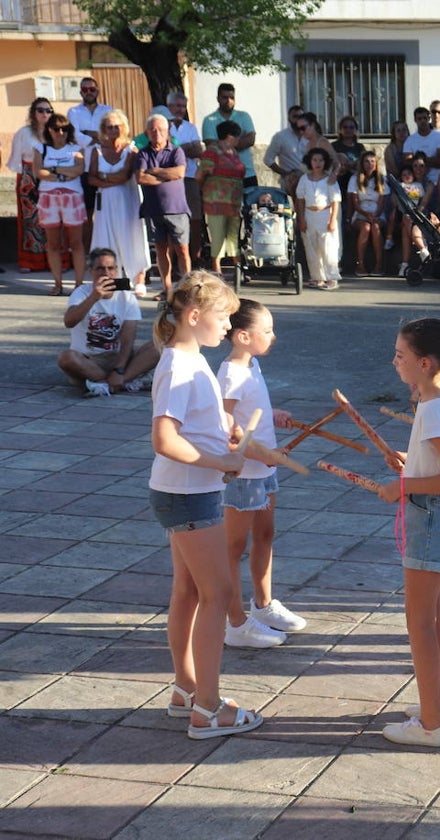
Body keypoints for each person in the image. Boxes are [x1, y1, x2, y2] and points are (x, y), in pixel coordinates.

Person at [150, 270, 264, 740]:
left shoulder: (189, 360)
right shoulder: (179, 365)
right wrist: (219, 459)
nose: (227, 325)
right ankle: (209, 710)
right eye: (222, 316)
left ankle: (186, 690)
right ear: (194, 316)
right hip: (188, 494)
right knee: (218, 594)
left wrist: (226, 434)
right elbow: (164, 437)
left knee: (189, 593)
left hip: (184, 492)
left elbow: (194, 423)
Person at [377, 316, 440, 748]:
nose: (394, 362)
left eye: (400, 356)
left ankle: (430, 724)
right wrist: (413, 461)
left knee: (419, 621)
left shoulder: (434, 408)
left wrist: (406, 484)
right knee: (434, 616)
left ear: (422, 362)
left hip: (435, 514)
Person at [219, 298, 305, 649]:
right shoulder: (229, 374)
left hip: (262, 469)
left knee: (265, 535)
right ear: (242, 336)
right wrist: (264, 454)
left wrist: (272, 414)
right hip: (244, 473)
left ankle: (264, 604)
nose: (273, 336)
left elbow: (248, 415)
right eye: (266, 330)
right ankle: (234, 622)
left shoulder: (251, 366)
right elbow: (226, 430)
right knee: (233, 546)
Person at [57, 247, 159, 397]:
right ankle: (120, 382)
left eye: (110, 268)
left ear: (117, 271)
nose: (106, 273)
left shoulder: (127, 297)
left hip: (118, 358)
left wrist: (119, 369)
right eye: (100, 268)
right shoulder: (81, 293)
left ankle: (107, 384)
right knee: (66, 358)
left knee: (161, 344)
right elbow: (69, 322)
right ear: (91, 271)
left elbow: (127, 340)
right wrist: (94, 297)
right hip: (89, 360)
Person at [87, 109, 152, 297]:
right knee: (105, 237)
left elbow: (125, 176)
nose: (114, 130)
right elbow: (91, 178)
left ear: (123, 127)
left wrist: (104, 177)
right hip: (105, 202)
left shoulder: (130, 149)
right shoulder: (97, 151)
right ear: (103, 129)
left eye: (117, 126)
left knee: (131, 236)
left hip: (127, 200)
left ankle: (138, 278)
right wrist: (108, 180)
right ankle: (111, 279)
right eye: (109, 127)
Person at [137, 114, 191, 301]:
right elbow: (141, 178)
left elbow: (179, 172)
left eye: (161, 129)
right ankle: (166, 288)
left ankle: (186, 290)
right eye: (153, 130)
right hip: (153, 209)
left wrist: (157, 172)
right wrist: (167, 175)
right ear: (147, 133)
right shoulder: (143, 153)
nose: (157, 133)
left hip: (177, 208)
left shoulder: (176, 151)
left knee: (182, 250)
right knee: (161, 249)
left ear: (167, 131)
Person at [32, 112, 87, 295]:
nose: (60, 132)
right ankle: (58, 283)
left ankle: (79, 284)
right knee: (53, 243)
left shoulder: (76, 149)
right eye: (56, 129)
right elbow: (39, 171)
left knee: (76, 242)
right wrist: (64, 173)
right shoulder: (41, 149)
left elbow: (78, 169)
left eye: (65, 129)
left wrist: (54, 169)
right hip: (49, 197)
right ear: (49, 130)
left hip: (72, 196)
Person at [8, 98, 55, 273]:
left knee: (52, 218)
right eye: (41, 110)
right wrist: (25, 181)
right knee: (31, 219)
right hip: (29, 178)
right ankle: (30, 261)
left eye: (48, 110)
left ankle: (55, 260)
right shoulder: (24, 132)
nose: (45, 114)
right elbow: (16, 159)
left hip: (51, 175)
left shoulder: (55, 131)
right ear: (33, 113)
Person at [196, 121, 246, 274]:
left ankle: (238, 270)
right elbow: (200, 175)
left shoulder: (234, 153)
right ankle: (217, 270)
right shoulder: (212, 152)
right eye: (237, 136)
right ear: (229, 136)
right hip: (215, 202)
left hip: (233, 202)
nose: (239, 139)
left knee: (233, 236)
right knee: (218, 236)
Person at [67, 76, 111, 241]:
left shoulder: (108, 111)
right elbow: (75, 135)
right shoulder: (74, 112)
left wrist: (88, 133)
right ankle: (89, 252)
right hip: (84, 168)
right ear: (80, 92)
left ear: (97, 90)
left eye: (92, 89)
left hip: (106, 166)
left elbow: (111, 136)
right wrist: (98, 137)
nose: (89, 92)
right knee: (87, 212)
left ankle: (106, 246)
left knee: (106, 212)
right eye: (85, 90)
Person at [166, 92, 207, 264]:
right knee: (171, 219)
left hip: (190, 176)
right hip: (170, 179)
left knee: (195, 218)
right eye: (177, 106)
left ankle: (194, 257)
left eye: (183, 106)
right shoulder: (163, 126)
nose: (180, 110)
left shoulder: (190, 127)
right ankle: (173, 260)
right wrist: (185, 149)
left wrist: (178, 150)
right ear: (169, 107)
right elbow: (166, 153)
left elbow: (199, 150)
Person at [295, 147, 342, 290]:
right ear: (310, 161)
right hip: (309, 214)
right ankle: (317, 277)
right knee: (311, 246)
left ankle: (332, 277)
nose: (318, 163)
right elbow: (300, 200)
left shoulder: (329, 179)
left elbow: (335, 201)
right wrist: (301, 219)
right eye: (315, 160)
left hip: (325, 214)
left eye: (321, 160)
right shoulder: (304, 179)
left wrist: (333, 220)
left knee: (328, 247)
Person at [201, 83, 257, 187]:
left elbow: (251, 139)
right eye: (225, 97)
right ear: (218, 98)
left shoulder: (244, 116)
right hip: (222, 175)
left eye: (232, 97)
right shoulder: (209, 120)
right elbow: (211, 146)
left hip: (247, 174)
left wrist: (224, 144)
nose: (228, 101)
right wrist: (238, 143)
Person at [347, 150, 390, 276]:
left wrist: (375, 215)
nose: (369, 164)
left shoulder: (382, 179)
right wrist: (365, 215)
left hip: (377, 212)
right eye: (366, 161)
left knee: (375, 227)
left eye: (372, 161)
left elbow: (382, 202)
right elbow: (354, 202)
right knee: (366, 227)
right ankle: (360, 264)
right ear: (362, 163)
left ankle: (379, 265)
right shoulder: (354, 179)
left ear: (376, 164)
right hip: (360, 212)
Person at [264, 105, 307, 196]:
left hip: (309, 180)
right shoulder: (280, 137)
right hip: (290, 182)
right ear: (289, 118)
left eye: (300, 116)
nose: (298, 119)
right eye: (295, 116)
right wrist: (285, 173)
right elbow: (268, 159)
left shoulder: (309, 136)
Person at [403, 106, 440, 183]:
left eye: (425, 118)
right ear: (415, 120)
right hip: (417, 182)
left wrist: (418, 160)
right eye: (419, 119)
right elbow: (407, 162)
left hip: (438, 180)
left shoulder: (439, 136)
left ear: (429, 119)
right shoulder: (410, 140)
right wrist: (431, 160)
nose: (423, 121)